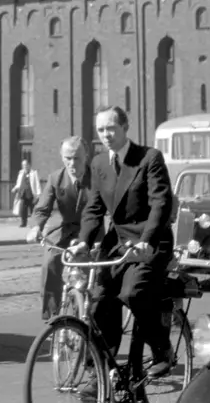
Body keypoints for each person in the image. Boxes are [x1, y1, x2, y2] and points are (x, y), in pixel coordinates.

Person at [70, 106, 175, 381]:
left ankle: (162, 348)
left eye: (110, 128)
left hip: (150, 241)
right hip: (117, 242)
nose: (105, 134)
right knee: (100, 300)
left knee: (134, 293)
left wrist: (147, 241)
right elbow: (94, 209)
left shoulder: (149, 158)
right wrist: (83, 242)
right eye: (100, 129)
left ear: (125, 127)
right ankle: (100, 375)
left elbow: (160, 204)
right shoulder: (99, 163)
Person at [26, 137, 92, 320]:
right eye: (67, 158)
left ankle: (85, 316)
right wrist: (35, 228)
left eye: (77, 158)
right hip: (61, 232)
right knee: (49, 264)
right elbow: (42, 208)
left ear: (86, 156)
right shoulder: (56, 178)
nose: (72, 163)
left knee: (86, 275)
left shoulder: (97, 178)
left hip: (89, 232)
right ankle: (52, 318)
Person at [12, 153, 41, 228]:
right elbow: (18, 183)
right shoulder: (21, 173)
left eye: (25, 165)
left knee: (32, 210)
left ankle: (33, 224)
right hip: (23, 194)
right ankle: (23, 222)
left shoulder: (34, 173)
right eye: (23, 165)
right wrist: (15, 188)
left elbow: (37, 183)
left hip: (31, 194)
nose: (24, 166)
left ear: (29, 165)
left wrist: (38, 194)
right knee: (22, 209)